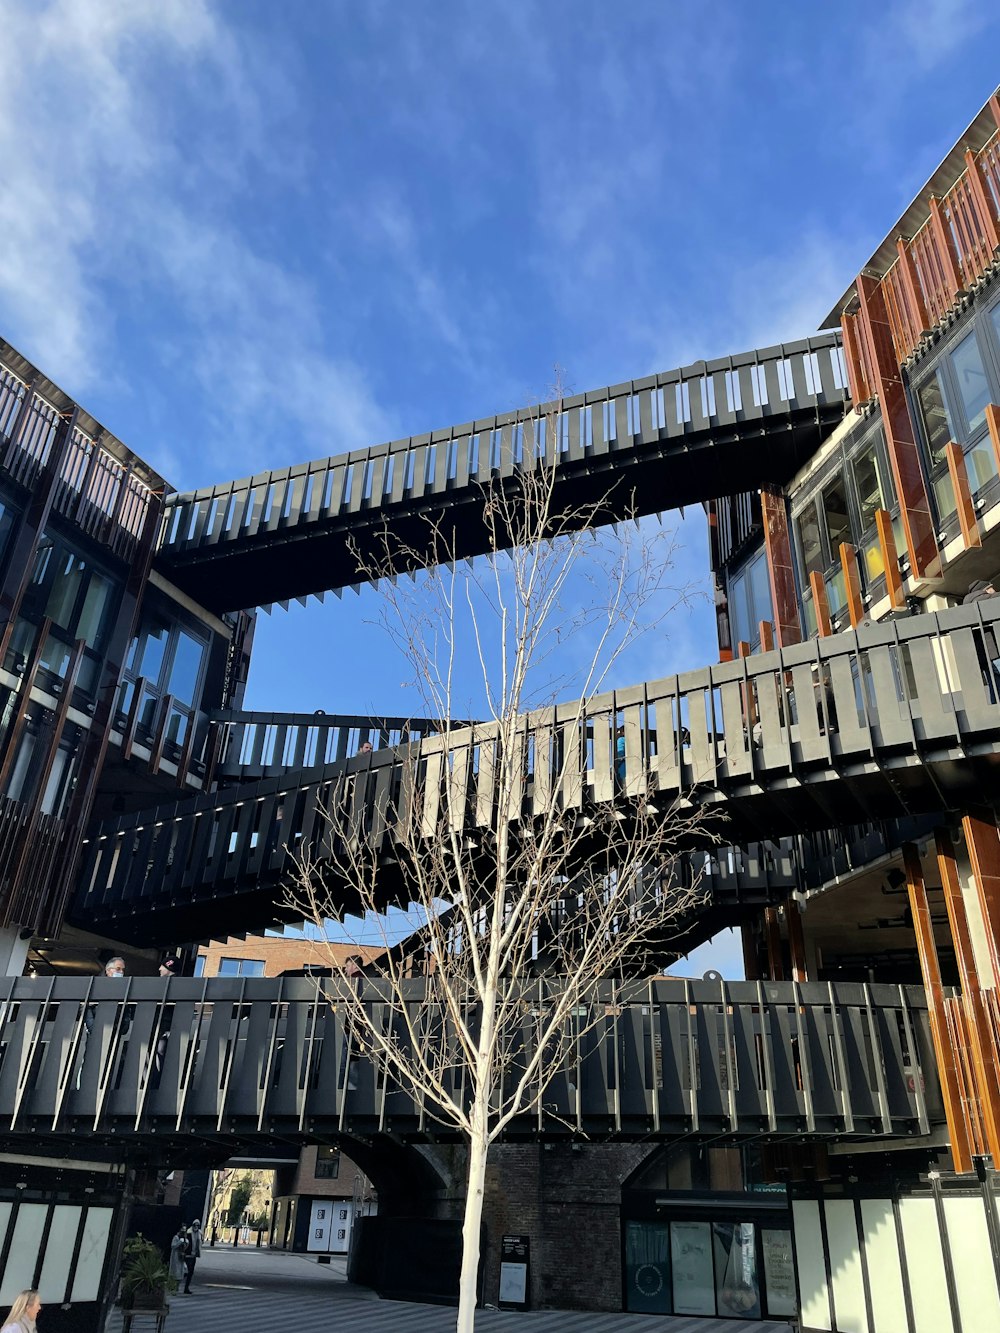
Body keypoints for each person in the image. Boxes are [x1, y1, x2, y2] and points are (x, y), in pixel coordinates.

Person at [183, 1220, 203, 1293]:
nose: (196, 1227)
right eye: (195, 1225)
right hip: (188, 1254)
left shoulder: (200, 1233)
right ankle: (178, 1284)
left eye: (198, 1225)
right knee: (186, 1271)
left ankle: (186, 1287)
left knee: (191, 1272)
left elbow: (201, 1242)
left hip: (194, 1255)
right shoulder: (188, 1232)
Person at [169, 1226, 188, 1291]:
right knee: (175, 1272)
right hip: (175, 1257)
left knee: (182, 1272)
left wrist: (186, 1243)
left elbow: (185, 1247)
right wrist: (180, 1242)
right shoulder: (176, 1237)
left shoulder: (184, 1238)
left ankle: (177, 1286)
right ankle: (173, 1286)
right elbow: (173, 1246)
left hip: (181, 1257)